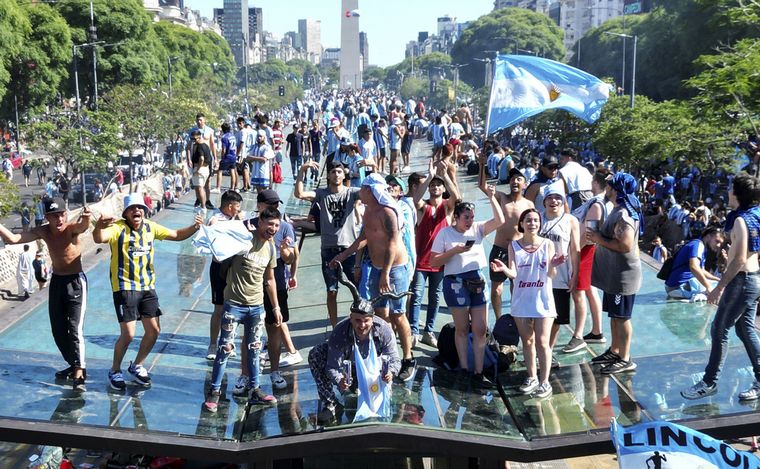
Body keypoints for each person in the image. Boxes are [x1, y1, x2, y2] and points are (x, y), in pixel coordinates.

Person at [93, 194, 203, 391]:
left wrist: (195, 227)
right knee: (128, 334)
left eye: (140, 207)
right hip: (125, 287)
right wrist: (99, 226)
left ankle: (136, 365)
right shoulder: (117, 228)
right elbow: (99, 238)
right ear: (125, 213)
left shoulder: (151, 227)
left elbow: (177, 235)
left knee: (154, 331)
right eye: (133, 208)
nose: (137, 211)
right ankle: (115, 370)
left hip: (147, 288)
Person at [681, 172, 760, 401]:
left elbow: (739, 259)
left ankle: (709, 382)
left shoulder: (741, 220)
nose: (727, 191)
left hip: (742, 280)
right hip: (754, 278)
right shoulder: (755, 214)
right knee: (744, 328)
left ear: (737, 194)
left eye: (730, 188)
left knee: (719, 329)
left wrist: (718, 287)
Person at [330, 174, 416, 382]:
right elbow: (362, 239)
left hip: (394, 269)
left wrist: (385, 273)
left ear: (370, 190)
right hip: (377, 266)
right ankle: (386, 354)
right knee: (379, 314)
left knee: (397, 314)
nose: (359, 192)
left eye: (362, 189)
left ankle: (408, 358)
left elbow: (393, 244)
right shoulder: (368, 211)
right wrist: (343, 255)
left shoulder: (388, 212)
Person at [0, 197, 92, 391]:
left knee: (74, 329)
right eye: (54, 216)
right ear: (47, 217)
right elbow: (14, 239)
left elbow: (82, 227)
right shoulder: (43, 231)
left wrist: (86, 218)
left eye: (61, 215)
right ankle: (73, 362)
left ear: (66, 215)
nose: (59, 220)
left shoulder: (70, 229)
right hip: (57, 282)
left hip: (75, 281)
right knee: (58, 330)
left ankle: (80, 371)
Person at [203, 207, 283, 412]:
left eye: (276, 225)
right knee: (225, 349)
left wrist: (275, 307)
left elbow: (270, 279)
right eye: (269, 224)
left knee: (255, 350)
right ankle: (214, 391)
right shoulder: (244, 239)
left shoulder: (271, 248)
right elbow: (219, 253)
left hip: (256, 307)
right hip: (234, 305)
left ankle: (255, 389)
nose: (272, 229)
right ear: (260, 223)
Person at [430, 188, 505, 388]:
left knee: (480, 329)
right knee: (462, 328)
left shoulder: (477, 229)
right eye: (466, 217)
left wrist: (491, 197)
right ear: (455, 217)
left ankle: (479, 371)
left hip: (476, 280)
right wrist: (455, 250)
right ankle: (464, 368)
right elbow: (433, 261)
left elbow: (500, 221)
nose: (470, 221)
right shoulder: (445, 234)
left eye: (472, 217)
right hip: (455, 282)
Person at [307, 273, 401, 424]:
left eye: (366, 321)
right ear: (351, 318)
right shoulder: (340, 331)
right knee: (316, 353)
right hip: (349, 375)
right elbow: (332, 366)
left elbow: (395, 358)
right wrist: (340, 380)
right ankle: (331, 403)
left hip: (375, 377)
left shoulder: (383, 329)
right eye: (357, 320)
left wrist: (390, 372)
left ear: (373, 318)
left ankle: (383, 399)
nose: (362, 325)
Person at [491, 208, 562, 398]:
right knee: (527, 341)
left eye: (536, 220)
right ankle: (532, 377)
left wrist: (553, 266)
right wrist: (504, 268)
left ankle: (545, 382)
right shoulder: (513, 246)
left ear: (540, 224)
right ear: (522, 224)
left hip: (542, 300)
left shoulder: (547, 244)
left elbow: (550, 275)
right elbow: (514, 274)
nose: (532, 223)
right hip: (522, 301)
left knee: (542, 342)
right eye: (528, 220)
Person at [586, 172, 643, 374]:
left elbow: (625, 245)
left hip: (623, 276)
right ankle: (615, 349)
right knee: (614, 315)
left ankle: (625, 358)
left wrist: (597, 238)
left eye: (609, 185)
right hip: (614, 274)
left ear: (615, 190)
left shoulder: (624, 215)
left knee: (622, 317)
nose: (606, 187)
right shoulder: (618, 209)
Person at [247, 190, 303, 393]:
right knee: (250, 330)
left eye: (276, 204)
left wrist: (285, 251)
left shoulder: (285, 226)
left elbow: (289, 258)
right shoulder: (249, 224)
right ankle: (247, 374)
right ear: (259, 205)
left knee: (274, 326)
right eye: (269, 204)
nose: (274, 209)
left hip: (277, 280)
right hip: (251, 282)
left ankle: (275, 369)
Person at [295, 161, 361, 327]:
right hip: (328, 250)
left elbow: (370, 192)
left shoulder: (352, 192)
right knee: (331, 291)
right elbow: (300, 194)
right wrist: (302, 171)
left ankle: (359, 322)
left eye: (339, 171)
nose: (336, 174)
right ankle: (334, 327)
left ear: (344, 175)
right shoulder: (321, 193)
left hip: (348, 250)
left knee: (358, 290)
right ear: (328, 175)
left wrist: (371, 167)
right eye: (333, 172)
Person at [409, 162, 460, 348]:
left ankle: (428, 331)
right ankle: (413, 331)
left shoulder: (447, 207)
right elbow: (415, 198)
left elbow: (457, 196)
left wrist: (445, 175)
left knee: (435, 297)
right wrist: (430, 176)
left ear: (443, 188)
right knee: (416, 295)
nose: (435, 187)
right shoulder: (424, 207)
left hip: (439, 262)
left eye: (438, 185)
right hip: (422, 260)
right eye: (432, 185)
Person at [480, 156, 535, 320]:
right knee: (496, 289)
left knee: (516, 287)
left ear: (525, 184)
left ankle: (515, 316)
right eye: (512, 179)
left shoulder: (529, 204)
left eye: (519, 179)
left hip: (519, 251)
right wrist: (482, 164)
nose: (515, 182)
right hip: (500, 250)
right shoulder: (502, 197)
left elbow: (533, 229)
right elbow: (482, 186)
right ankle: (498, 320)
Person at [540, 189, 585, 357]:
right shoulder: (537, 218)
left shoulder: (570, 220)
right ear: (544, 201)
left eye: (557, 197)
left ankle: (547, 353)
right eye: (550, 198)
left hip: (561, 278)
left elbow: (575, 249)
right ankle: (540, 351)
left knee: (556, 320)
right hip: (539, 277)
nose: (554, 201)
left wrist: (575, 275)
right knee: (537, 318)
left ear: (563, 201)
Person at [205, 190, 246, 361]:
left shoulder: (237, 219)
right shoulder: (215, 220)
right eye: (237, 207)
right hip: (220, 267)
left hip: (235, 267)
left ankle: (229, 341)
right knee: (219, 308)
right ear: (229, 206)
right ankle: (213, 344)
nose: (239, 210)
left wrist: (239, 220)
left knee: (234, 307)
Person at [664, 227, 724, 301]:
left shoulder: (700, 246)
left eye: (721, 243)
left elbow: (701, 270)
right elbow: (694, 267)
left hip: (675, 287)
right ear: (708, 236)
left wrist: (717, 279)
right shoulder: (698, 245)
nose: (718, 245)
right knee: (720, 288)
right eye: (717, 241)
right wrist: (709, 287)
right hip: (679, 287)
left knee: (719, 283)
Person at [188, 130, 212, 211]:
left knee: (200, 188)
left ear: (199, 137)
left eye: (194, 139)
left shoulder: (200, 146)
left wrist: (197, 169)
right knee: (199, 188)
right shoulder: (206, 145)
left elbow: (202, 158)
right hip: (205, 169)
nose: (193, 141)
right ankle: (202, 205)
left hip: (200, 168)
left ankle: (203, 206)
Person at [219, 122, 238, 191]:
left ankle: (218, 187)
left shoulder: (224, 137)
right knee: (232, 170)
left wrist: (222, 157)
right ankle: (232, 187)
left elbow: (224, 149)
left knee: (220, 170)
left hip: (227, 156)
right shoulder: (232, 136)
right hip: (233, 155)